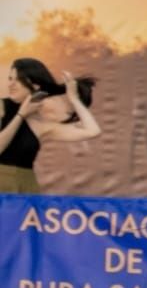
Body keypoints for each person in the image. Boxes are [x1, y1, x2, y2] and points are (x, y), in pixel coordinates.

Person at [1, 59, 101, 193]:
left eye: (18, 80)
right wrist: (21, 115)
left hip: (26, 186)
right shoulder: (2, 106)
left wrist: (74, 99)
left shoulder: (42, 124)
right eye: (10, 79)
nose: (11, 84)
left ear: (35, 85)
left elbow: (93, 130)